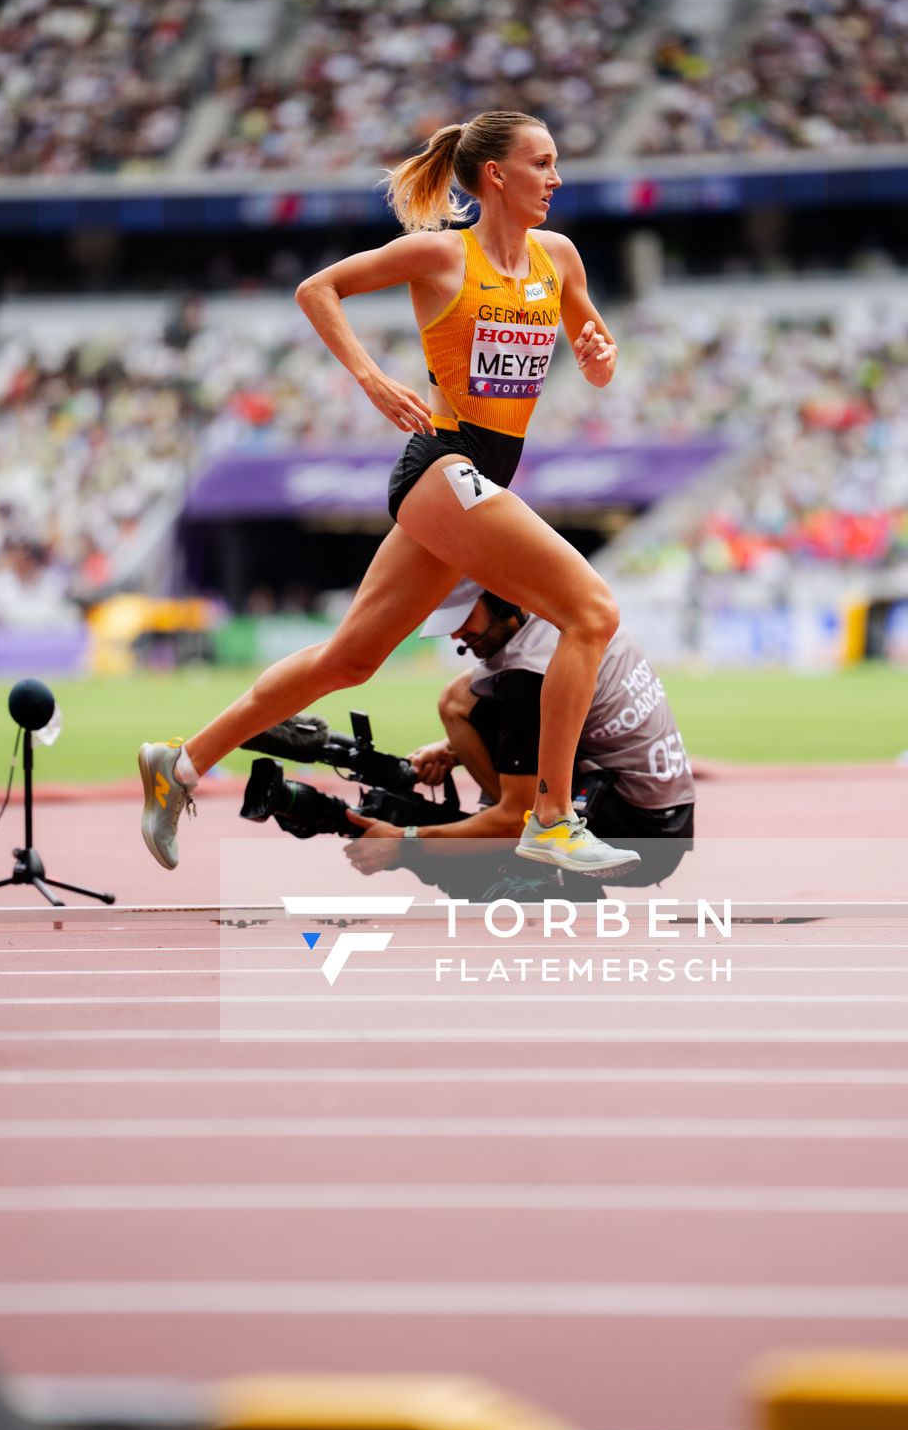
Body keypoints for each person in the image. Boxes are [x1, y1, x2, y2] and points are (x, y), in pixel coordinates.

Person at [138, 110, 640, 879]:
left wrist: (601, 362)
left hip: (481, 476)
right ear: (497, 176)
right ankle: (551, 818)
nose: (557, 177)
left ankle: (180, 762)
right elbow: (318, 290)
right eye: (543, 162)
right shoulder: (441, 255)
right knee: (592, 611)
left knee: (348, 659)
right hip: (442, 463)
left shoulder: (559, 257)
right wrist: (372, 379)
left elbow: (596, 358)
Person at [343, 580, 695, 888]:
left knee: (504, 821)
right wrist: (453, 749)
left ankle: (535, 862)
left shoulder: (529, 674)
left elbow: (516, 821)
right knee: (461, 696)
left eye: (463, 617)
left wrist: (406, 840)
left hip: (639, 841)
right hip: (666, 821)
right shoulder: (569, 615)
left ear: (502, 598)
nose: (454, 634)